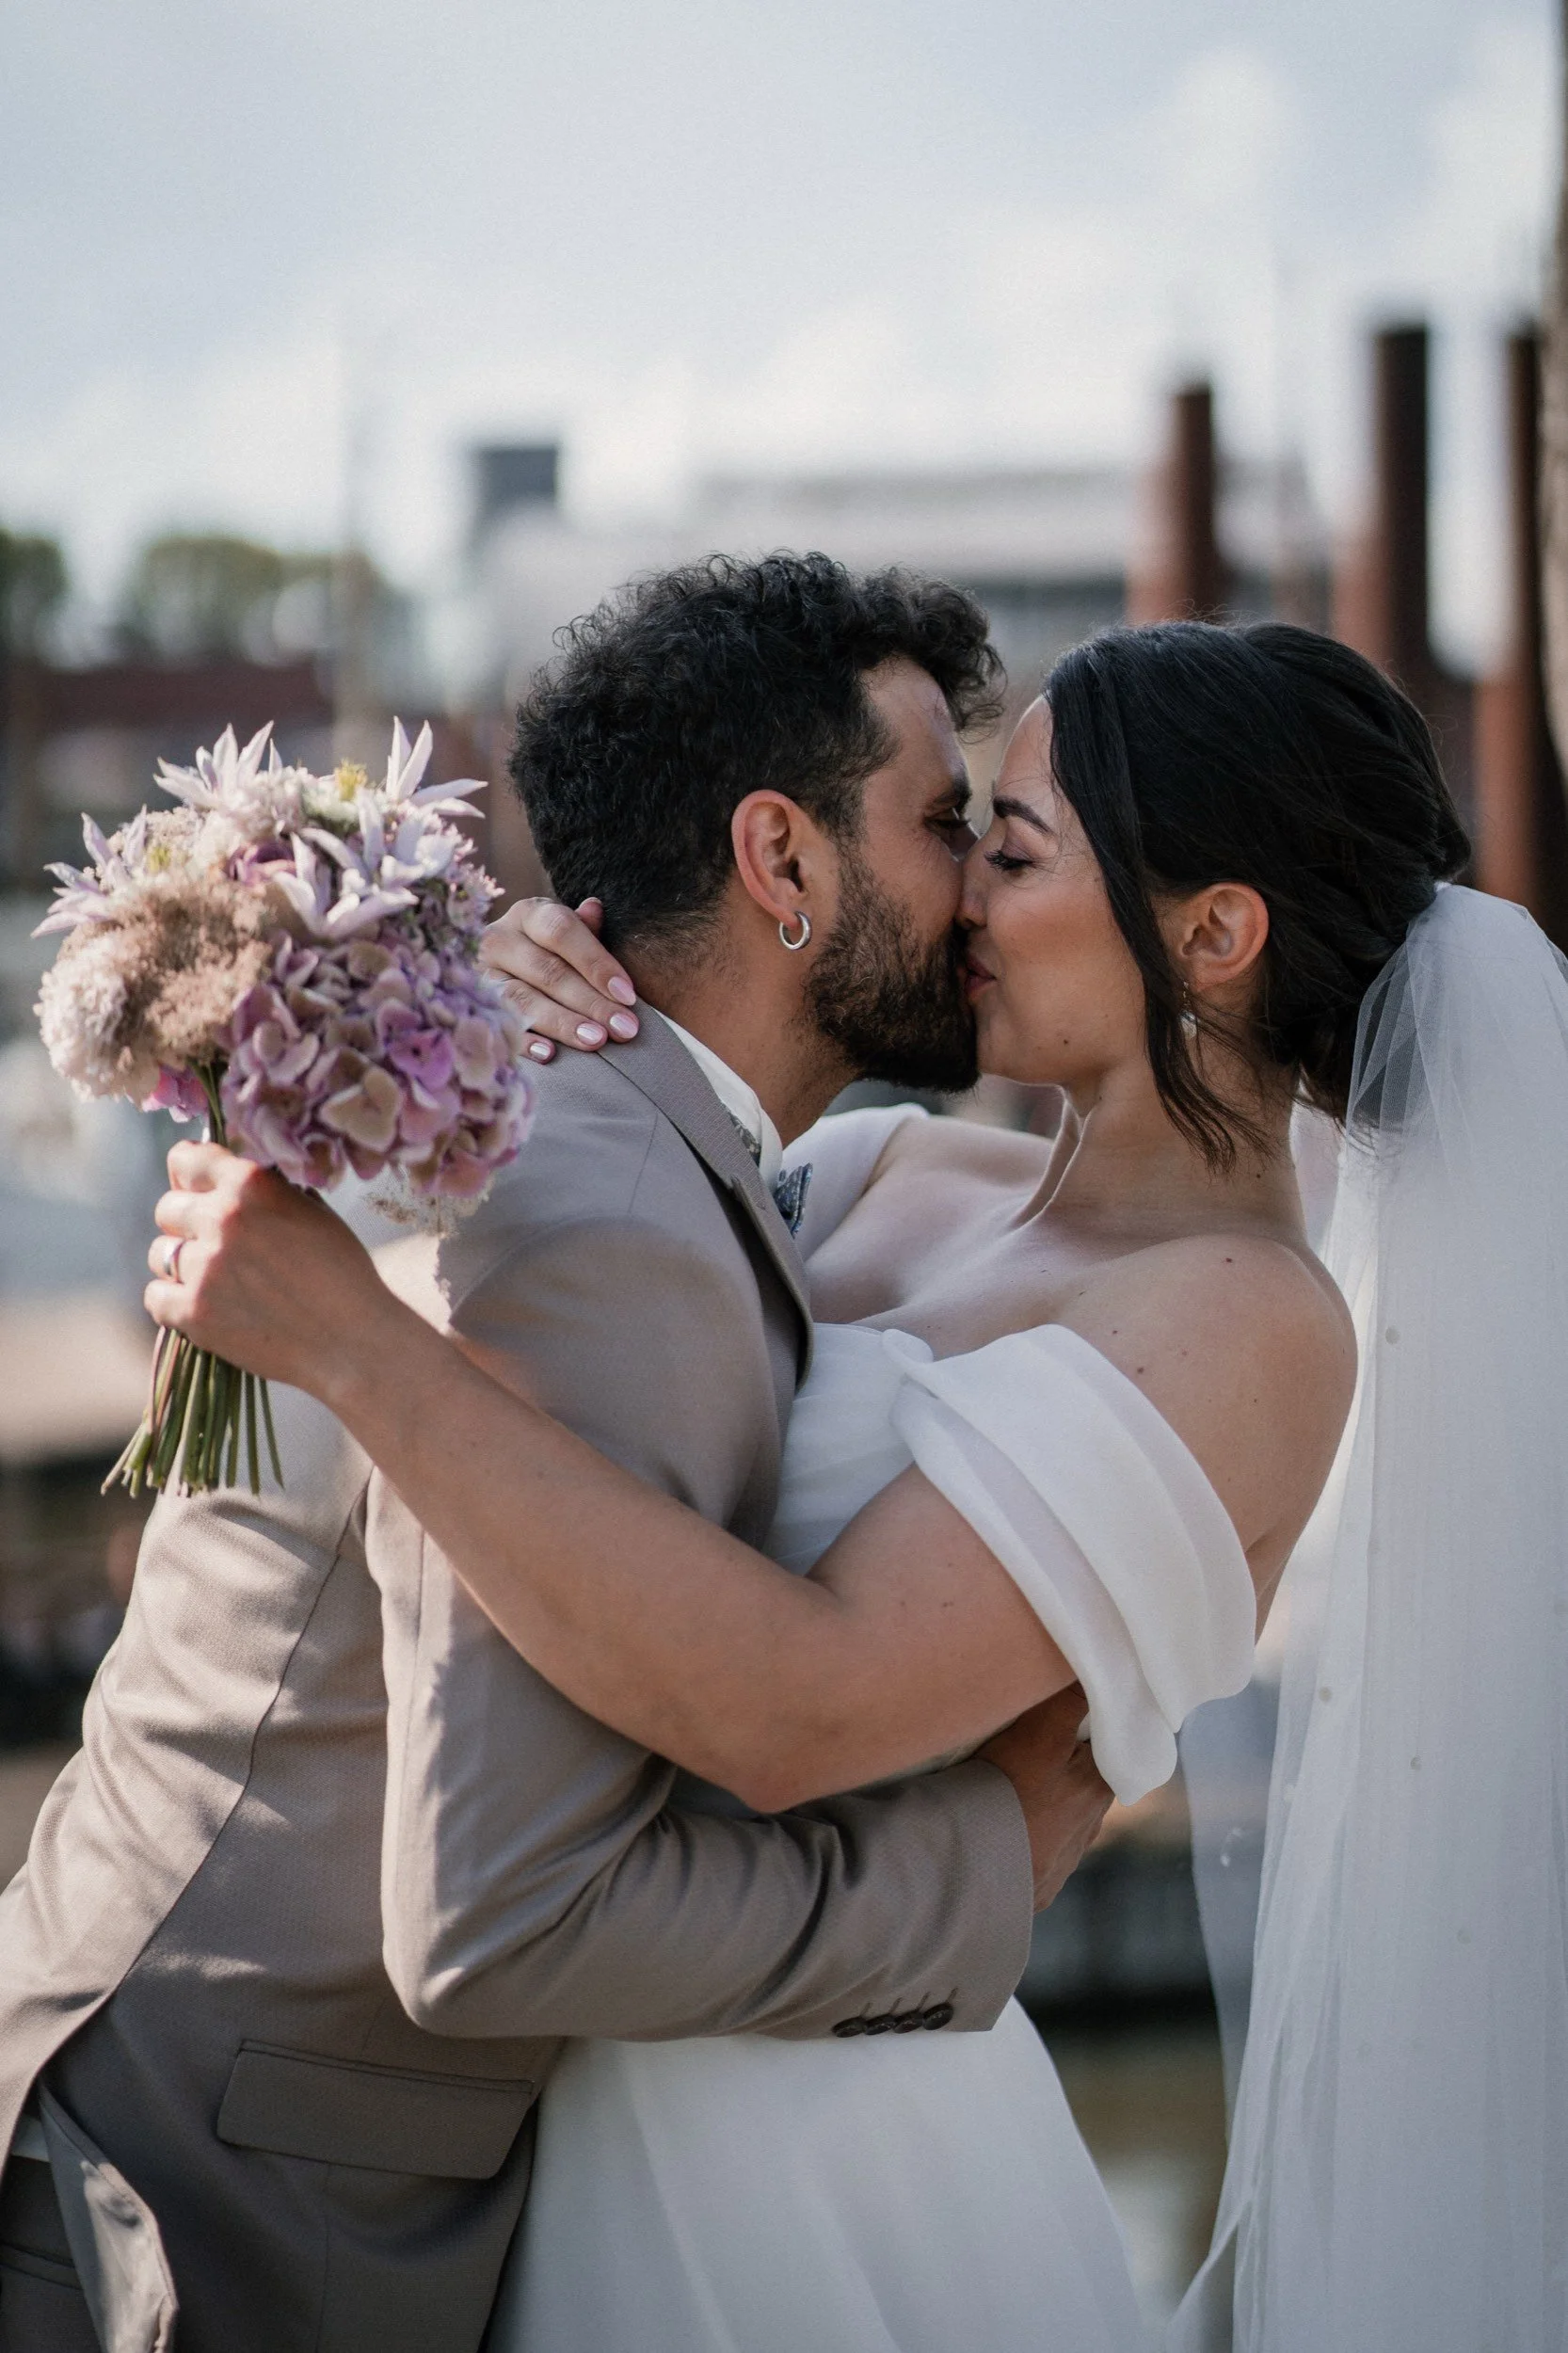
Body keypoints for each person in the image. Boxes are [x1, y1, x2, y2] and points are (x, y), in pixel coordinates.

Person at [145, 618, 1471, 2351]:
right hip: (558, 2102)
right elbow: (611, 1343)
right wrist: (549, 994)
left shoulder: (1249, 1323)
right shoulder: (873, 1169)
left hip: (821, 2147)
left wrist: (360, 1351)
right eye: (960, 839)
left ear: (1215, 935)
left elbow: (800, 1708)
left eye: (1011, 846)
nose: (966, 900)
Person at [0, 556, 1110, 2353]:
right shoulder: (603, 1205)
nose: (977, 880)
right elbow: (507, 1915)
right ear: (783, 863)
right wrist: (975, 1870)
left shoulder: (557, 1106)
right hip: (193, 2229)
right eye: (939, 819)